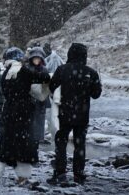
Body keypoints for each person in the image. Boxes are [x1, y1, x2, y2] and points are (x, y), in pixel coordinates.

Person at [0, 47, 51, 186]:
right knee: (23, 144)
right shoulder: (24, 71)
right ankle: (23, 176)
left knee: (4, 144)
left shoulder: (6, 73)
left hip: (8, 111)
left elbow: (6, 91)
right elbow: (43, 77)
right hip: (23, 112)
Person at [47, 43, 102, 186]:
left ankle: (60, 173)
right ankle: (79, 174)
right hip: (82, 115)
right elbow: (96, 94)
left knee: (61, 143)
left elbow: (52, 87)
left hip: (64, 113)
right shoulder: (90, 72)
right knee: (79, 145)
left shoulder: (62, 70)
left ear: (70, 54)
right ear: (84, 55)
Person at [26, 47, 51, 151]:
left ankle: (38, 139)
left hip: (41, 100)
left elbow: (47, 84)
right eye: (34, 58)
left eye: (38, 58)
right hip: (29, 100)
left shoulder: (44, 69)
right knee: (30, 121)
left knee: (40, 121)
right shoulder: (27, 69)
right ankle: (30, 141)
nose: (36, 60)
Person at [44, 43, 65, 140]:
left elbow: (50, 68)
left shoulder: (53, 58)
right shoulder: (53, 57)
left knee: (53, 103)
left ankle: (54, 127)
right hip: (54, 82)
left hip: (52, 81)